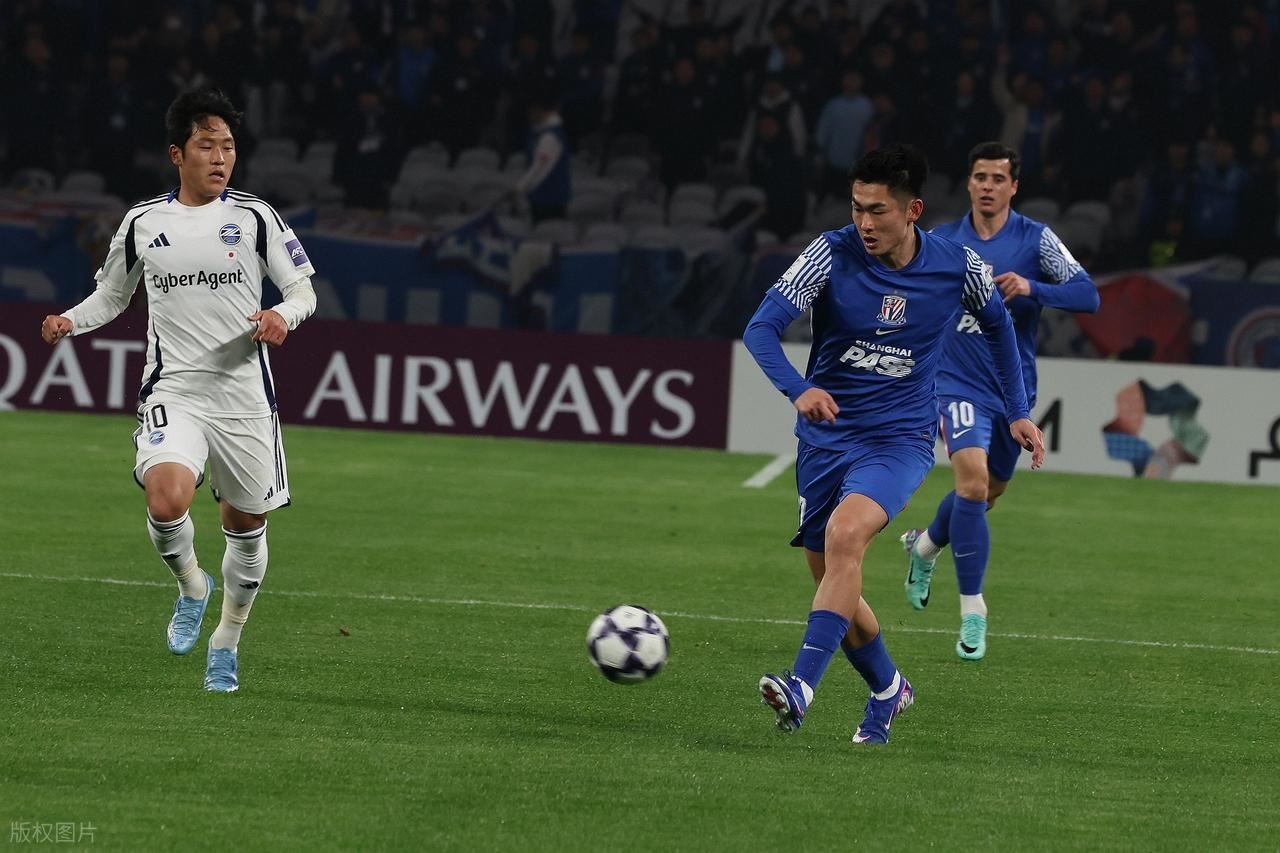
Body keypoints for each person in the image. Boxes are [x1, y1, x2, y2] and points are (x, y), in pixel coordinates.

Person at [744, 144, 1044, 745]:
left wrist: (1016, 410)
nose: (864, 222)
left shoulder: (959, 266)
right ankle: (888, 688)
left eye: (877, 210)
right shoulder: (828, 253)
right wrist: (799, 388)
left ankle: (801, 687)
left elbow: (999, 327)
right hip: (825, 441)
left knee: (846, 537)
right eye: (857, 208)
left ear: (912, 210)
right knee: (835, 578)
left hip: (899, 439)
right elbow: (761, 329)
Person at [39, 90, 317, 693]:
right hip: (175, 389)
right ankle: (192, 584)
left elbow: (303, 291)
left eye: (229, 147)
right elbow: (113, 297)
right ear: (177, 153)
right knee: (166, 502)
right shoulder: (143, 222)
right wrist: (69, 320)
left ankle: (226, 641)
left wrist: (282, 315)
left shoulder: (257, 217)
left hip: (244, 396)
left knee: (245, 525)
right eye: (206, 146)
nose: (220, 158)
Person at [901, 141, 1098, 660]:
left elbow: (1088, 295)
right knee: (970, 482)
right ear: (969, 183)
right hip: (955, 383)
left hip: (1012, 391)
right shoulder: (941, 241)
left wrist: (1033, 287)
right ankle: (973, 611)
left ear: (1014, 186)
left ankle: (925, 546)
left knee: (985, 495)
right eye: (980, 177)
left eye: (998, 178)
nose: (987, 186)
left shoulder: (1036, 240)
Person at [512, 87, 570, 224]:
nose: (528, 115)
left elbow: (540, 168)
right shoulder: (538, 132)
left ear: (537, 110)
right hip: (540, 196)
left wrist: (520, 188)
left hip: (550, 198)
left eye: (530, 111)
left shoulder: (550, 136)